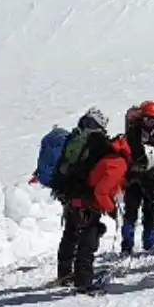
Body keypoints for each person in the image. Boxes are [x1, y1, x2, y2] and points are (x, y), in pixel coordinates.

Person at [53, 109, 113, 287]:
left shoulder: (74, 137)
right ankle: (84, 279)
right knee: (89, 234)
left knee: (70, 233)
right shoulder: (98, 140)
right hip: (87, 194)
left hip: (69, 193)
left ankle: (64, 272)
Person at [120, 101, 154, 255]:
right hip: (134, 180)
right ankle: (127, 244)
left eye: (152, 119)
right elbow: (124, 156)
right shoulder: (132, 134)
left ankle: (149, 243)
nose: (149, 122)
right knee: (130, 213)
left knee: (150, 213)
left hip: (152, 181)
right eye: (146, 119)